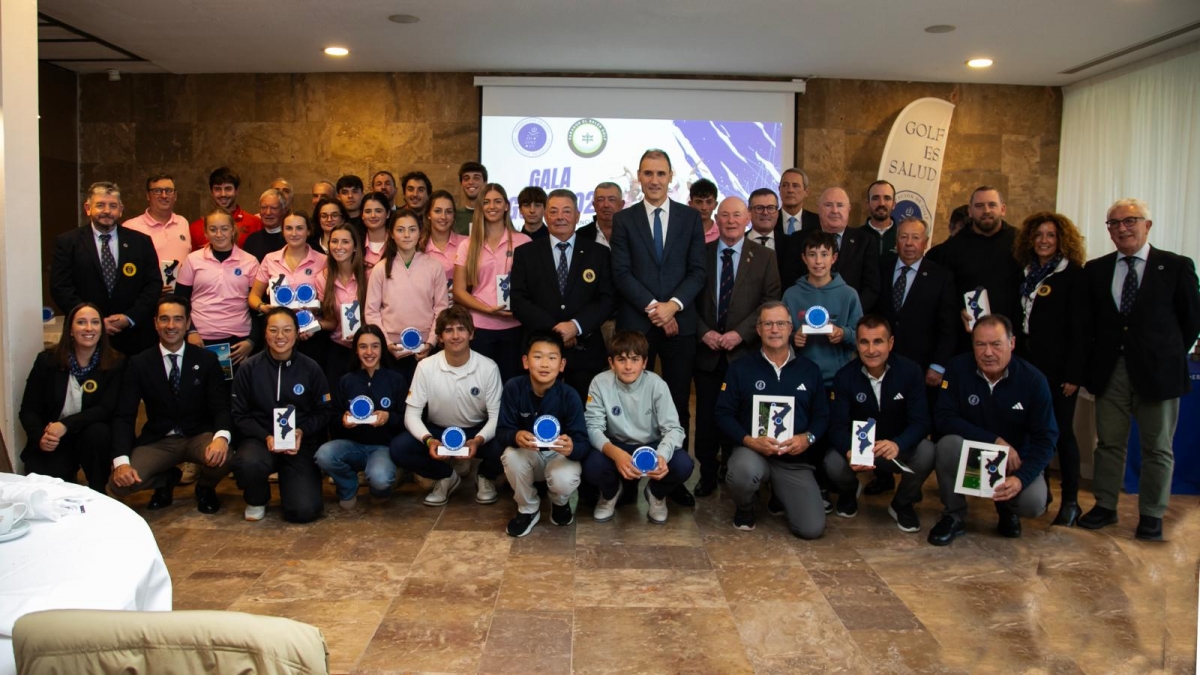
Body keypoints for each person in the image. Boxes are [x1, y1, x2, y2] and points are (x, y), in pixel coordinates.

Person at [1078, 198, 1200, 541]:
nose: (1122, 228)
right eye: (1114, 223)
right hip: (1110, 371)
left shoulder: (1175, 266)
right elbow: (1091, 323)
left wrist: (1165, 354)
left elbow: (1191, 321)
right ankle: (1105, 506)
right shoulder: (1096, 269)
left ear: (1147, 225)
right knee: (1109, 444)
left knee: (1157, 447)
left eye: (1130, 221)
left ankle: (1151, 513)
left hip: (1159, 373)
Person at [609, 149, 706, 507]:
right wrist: (655, 309)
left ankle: (671, 480)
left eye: (660, 173)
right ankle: (629, 476)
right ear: (638, 176)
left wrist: (673, 307)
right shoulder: (625, 219)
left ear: (671, 177)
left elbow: (697, 270)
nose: (654, 180)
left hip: (681, 323)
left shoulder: (690, 218)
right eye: (647, 173)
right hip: (638, 323)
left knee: (678, 403)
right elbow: (621, 273)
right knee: (631, 405)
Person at [929, 315, 1056, 546]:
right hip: (972, 454)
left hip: (1015, 462)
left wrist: (1020, 479)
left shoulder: (1034, 380)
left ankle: (1008, 510)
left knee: (1034, 502)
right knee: (947, 445)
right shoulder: (957, 368)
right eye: (980, 344)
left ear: (1012, 343)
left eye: (996, 344)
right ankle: (953, 514)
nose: (988, 353)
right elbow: (943, 418)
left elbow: (1047, 439)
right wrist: (994, 441)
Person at [108, 296, 232, 514]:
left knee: (225, 456)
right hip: (159, 440)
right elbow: (124, 415)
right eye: (164, 319)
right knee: (120, 485)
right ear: (155, 323)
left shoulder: (206, 360)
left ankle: (205, 487)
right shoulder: (139, 363)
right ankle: (166, 479)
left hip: (198, 436)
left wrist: (221, 438)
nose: (171, 326)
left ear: (187, 323)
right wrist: (121, 462)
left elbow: (221, 406)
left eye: (177, 319)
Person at [716, 302, 828, 537]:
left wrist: (807, 438)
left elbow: (822, 415)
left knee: (811, 529)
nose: (774, 330)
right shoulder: (740, 368)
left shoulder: (810, 370)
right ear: (758, 330)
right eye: (768, 324)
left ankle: (780, 495)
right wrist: (748, 441)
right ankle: (745, 508)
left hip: (794, 459)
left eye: (780, 324)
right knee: (742, 472)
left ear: (790, 329)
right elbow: (722, 414)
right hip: (753, 452)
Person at [693, 197, 781, 497]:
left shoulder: (765, 256)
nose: (731, 221)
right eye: (725, 215)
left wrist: (741, 334)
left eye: (737, 216)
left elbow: (770, 301)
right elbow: (687, 298)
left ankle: (735, 472)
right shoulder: (699, 254)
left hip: (744, 353)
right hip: (706, 352)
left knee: (739, 415)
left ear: (748, 220)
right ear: (716, 219)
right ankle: (705, 472)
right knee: (706, 416)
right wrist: (703, 332)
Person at [866, 216, 957, 496]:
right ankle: (882, 475)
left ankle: (911, 485)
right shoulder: (880, 269)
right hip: (881, 363)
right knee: (881, 416)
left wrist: (938, 365)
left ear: (925, 242)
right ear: (896, 241)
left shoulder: (941, 276)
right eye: (904, 237)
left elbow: (948, 326)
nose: (909, 243)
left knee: (915, 423)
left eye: (915, 238)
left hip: (922, 367)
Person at [1013, 212, 1091, 526]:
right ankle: (1040, 492)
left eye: (1051, 236)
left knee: (1060, 433)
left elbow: (1083, 330)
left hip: (1060, 371)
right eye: (1039, 235)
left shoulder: (1073, 275)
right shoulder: (1026, 273)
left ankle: (1071, 501)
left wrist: (1074, 375)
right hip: (1029, 366)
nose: (1044, 241)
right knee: (1033, 430)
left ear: (1062, 240)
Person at [389, 306, 504, 506]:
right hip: (439, 432)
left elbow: (496, 417)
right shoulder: (425, 366)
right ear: (440, 337)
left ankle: (485, 477)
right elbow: (412, 415)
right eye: (449, 330)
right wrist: (428, 440)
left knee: (507, 443)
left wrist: (477, 441)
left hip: (475, 432)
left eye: (461, 329)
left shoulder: (489, 367)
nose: (455, 336)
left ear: (471, 333)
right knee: (399, 448)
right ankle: (446, 476)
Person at [827, 315, 934, 530]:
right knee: (832, 462)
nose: (871, 350)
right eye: (864, 342)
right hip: (859, 452)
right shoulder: (844, 377)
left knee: (928, 451)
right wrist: (850, 450)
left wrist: (898, 444)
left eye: (878, 341)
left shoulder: (910, 371)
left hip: (896, 448)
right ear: (857, 344)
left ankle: (902, 503)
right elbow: (836, 427)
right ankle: (849, 492)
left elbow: (921, 422)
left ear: (890, 343)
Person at [510, 189, 614, 403]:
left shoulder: (599, 254)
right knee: (540, 414)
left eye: (566, 211)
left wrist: (575, 326)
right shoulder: (526, 253)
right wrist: (557, 331)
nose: (560, 217)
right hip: (541, 350)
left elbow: (607, 300)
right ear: (545, 216)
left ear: (577, 215)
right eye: (554, 211)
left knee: (585, 417)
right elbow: (519, 301)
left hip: (585, 351)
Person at [230, 307, 332, 522]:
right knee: (247, 463)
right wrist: (265, 436)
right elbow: (240, 414)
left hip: (299, 443)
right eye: (273, 330)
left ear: (297, 333)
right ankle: (257, 498)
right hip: (260, 440)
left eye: (287, 330)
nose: (280, 336)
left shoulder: (311, 368)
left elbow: (323, 411)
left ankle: (293, 486)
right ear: (265, 334)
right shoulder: (248, 368)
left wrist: (302, 431)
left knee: (304, 512)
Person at [581, 331, 691, 524]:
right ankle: (610, 493)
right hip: (617, 445)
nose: (628, 366)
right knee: (591, 465)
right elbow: (592, 427)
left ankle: (656, 494)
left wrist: (662, 456)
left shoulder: (657, 385)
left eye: (634, 359)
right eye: (621, 360)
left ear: (644, 362)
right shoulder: (600, 382)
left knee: (684, 465)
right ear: (611, 362)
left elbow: (674, 429)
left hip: (652, 445)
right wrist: (616, 454)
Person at [19, 303, 124, 491]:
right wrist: (40, 438)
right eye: (81, 322)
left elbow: (105, 409)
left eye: (95, 322)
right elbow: (29, 410)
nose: (89, 328)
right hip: (54, 438)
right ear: (70, 330)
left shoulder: (116, 363)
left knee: (99, 432)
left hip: (88, 435)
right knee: (45, 489)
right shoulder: (47, 361)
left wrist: (66, 425)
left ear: (102, 330)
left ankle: (98, 488)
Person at [50, 181, 162, 356]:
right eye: (100, 205)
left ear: (121, 209)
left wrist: (129, 318)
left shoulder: (141, 242)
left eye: (113, 205)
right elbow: (60, 287)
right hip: (86, 338)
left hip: (134, 337)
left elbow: (153, 285)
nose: (107, 211)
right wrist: (95, 322)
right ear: (88, 208)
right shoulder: (68, 243)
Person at [498, 331, 591, 536]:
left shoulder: (570, 395)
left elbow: (583, 443)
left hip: (558, 456)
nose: (545, 364)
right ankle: (528, 508)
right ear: (526, 361)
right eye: (538, 357)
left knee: (565, 478)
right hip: (528, 454)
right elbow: (502, 432)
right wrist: (515, 436)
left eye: (552, 357)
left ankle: (560, 503)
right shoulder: (514, 388)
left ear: (562, 365)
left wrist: (572, 447)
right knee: (510, 456)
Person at [314, 325, 407, 509]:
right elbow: (333, 415)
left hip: (383, 448)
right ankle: (348, 486)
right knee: (323, 455)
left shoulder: (396, 380)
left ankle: (381, 489)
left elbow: (406, 418)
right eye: (363, 346)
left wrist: (388, 417)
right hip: (353, 446)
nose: (369, 352)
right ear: (356, 350)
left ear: (382, 348)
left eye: (375, 346)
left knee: (380, 479)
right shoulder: (346, 380)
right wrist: (343, 420)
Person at [453, 183, 532, 382]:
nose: (492, 206)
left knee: (511, 383)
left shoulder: (523, 241)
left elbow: (533, 287)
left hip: (515, 325)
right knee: (480, 385)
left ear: (506, 206)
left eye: (497, 201)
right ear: (480, 207)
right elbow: (459, 291)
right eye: (486, 202)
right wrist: (487, 310)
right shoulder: (468, 245)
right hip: (480, 327)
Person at [926, 186, 1024, 346]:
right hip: (967, 337)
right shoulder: (952, 248)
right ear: (970, 211)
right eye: (979, 206)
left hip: (1013, 338)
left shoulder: (1021, 242)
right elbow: (943, 292)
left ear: (1003, 209)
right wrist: (959, 310)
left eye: (992, 205)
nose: (986, 210)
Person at [366, 208, 449, 382]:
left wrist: (431, 342)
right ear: (391, 233)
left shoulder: (434, 266)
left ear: (420, 233)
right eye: (400, 229)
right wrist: (387, 342)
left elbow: (441, 308)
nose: (406, 235)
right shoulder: (380, 269)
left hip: (425, 348)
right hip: (392, 350)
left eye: (412, 229)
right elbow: (371, 312)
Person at [176, 211, 259, 371]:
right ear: (206, 232)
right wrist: (190, 331)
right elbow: (180, 301)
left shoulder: (250, 261)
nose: (219, 234)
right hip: (199, 339)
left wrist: (252, 341)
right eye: (213, 229)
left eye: (224, 228)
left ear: (233, 230)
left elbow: (256, 305)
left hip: (239, 341)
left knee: (234, 391)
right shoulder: (193, 260)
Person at [782, 231, 863, 386]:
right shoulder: (791, 295)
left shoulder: (849, 294)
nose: (818, 261)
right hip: (800, 377)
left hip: (839, 378)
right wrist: (792, 338)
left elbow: (860, 338)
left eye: (824, 254)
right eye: (812, 254)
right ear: (804, 258)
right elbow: (778, 334)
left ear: (834, 258)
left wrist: (843, 333)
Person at [248, 213, 328, 365]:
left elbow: (330, 301)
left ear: (308, 231)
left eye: (299, 228)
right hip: (279, 335)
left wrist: (314, 314)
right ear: (283, 231)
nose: (294, 233)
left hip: (311, 333)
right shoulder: (270, 259)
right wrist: (263, 307)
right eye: (289, 228)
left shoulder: (323, 260)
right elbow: (253, 296)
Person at [809, 187, 881, 312]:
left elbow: (871, 287)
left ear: (849, 209)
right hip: (809, 315)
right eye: (828, 205)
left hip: (852, 318)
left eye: (840, 205)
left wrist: (853, 312)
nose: (834, 210)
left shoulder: (866, 241)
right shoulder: (800, 239)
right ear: (818, 208)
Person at [316, 222, 368, 389]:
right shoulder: (322, 278)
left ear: (354, 247)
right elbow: (331, 321)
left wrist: (363, 331)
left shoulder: (370, 274)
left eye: (345, 241)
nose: (339, 246)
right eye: (334, 241)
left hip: (367, 348)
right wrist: (310, 326)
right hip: (338, 348)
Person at [123, 173, 191, 292]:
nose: (164, 195)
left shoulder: (183, 222)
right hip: (148, 298)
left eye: (169, 191)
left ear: (175, 196)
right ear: (148, 195)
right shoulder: (130, 227)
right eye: (157, 191)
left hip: (181, 296)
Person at [189, 167, 263, 250]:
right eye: (217, 189)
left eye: (228, 189)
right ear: (211, 192)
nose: (223, 194)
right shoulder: (196, 227)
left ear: (237, 190)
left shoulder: (255, 223)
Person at [421, 190, 467, 295]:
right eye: (437, 211)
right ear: (429, 214)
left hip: (461, 309)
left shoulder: (467, 243)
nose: (443, 217)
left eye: (449, 212)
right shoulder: (418, 247)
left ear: (454, 216)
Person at [241, 189, 286, 262]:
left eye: (274, 208)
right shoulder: (252, 240)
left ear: (283, 210)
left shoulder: (290, 240)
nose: (268, 213)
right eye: (264, 208)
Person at [576, 182, 624, 248]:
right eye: (600, 200)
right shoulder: (581, 235)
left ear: (621, 205)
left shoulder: (633, 232)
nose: (606, 205)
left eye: (611, 199)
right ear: (594, 205)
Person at [774, 168, 820, 236]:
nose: (790, 190)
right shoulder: (770, 220)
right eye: (785, 185)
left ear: (806, 192)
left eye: (795, 186)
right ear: (779, 189)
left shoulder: (817, 222)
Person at [359, 192, 392, 271]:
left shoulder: (397, 242)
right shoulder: (355, 243)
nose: (373, 215)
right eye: (368, 211)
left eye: (378, 211)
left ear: (387, 214)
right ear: (362, 215)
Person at [863, 180, 897, 256]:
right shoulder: (856, 237)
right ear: (868, 204)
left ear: (894, 204)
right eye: (875, 198)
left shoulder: (903, 237)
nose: (881, 203)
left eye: (887, 198)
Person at [453, 162, 487, 235]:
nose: (471, 182)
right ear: (461, 184)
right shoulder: (453, 216)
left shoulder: (494, 214)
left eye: (476, 178)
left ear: (485, 183)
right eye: (466, 178)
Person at [687, 179, 720, 243]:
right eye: (699, 202)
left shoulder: (722, 234)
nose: (704, 207)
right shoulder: (680, 231)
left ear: (715, 205)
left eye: (709, 202)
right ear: (690, 204)